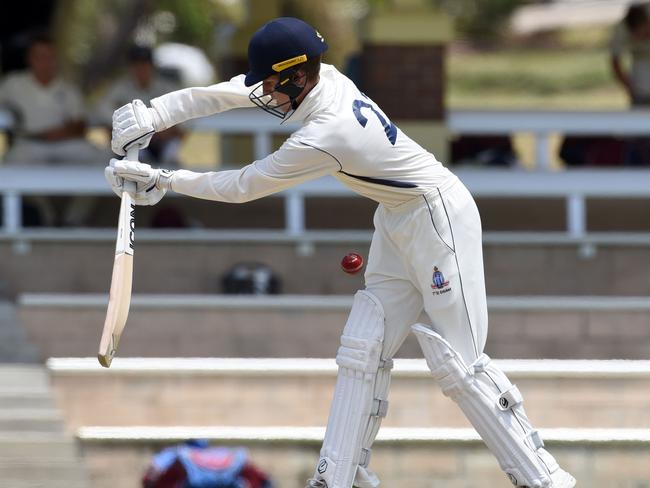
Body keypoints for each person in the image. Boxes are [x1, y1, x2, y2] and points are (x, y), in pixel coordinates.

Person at [104, 17, 576, 488]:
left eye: (271, 83)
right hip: (395, 217)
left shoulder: (327, 133)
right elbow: (222, 93)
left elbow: (244, 185)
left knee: (459, 365)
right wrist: (153, 114)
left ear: (297, 75)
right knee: (362, 348)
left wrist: (165, 180)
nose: (265, 94)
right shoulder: (320, 78)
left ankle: (545, 480)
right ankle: (338, 478)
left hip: (439, 217)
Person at [0, 33, 108, 225]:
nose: (45, 62)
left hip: (66, 142)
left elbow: (81, 124)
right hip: (28, 143)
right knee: (10, 165)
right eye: (39, 57)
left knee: (105, 160)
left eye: (49, 57)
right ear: (30, 59)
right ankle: (44, 215)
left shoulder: (67, 87)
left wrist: (60, 133)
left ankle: (73, 219)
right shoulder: (13, 84)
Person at [96, 45, 185, 167]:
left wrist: (161, 132)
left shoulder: (166, 88)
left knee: (171, 158)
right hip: (132, 144)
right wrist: (131, 131)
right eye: (137, 65)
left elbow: (184, 122)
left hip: (163, 143)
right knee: (135, 160)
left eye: (145, 64)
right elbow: (103, 113)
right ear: (130, 67)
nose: (141, 69)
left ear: (152, 66)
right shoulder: (120, 89)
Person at [610, 2, 650, 106]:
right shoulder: (621, 30)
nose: (643, 38)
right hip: (640, 87)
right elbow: (615, 61)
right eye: (639, 35)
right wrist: (628, 87)